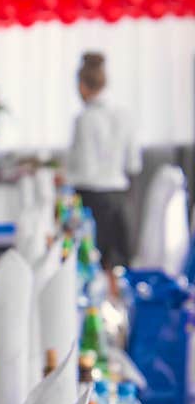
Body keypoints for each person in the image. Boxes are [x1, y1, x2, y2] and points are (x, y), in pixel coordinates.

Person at [66, 52, 140, 290]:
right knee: (120, 272)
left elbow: (84, 169)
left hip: (91, 199)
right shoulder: (125, 115)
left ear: (81, 86)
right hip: (119, 198)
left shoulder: (84, 119)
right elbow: (133, 165)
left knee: (92, 270)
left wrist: (63, 176)